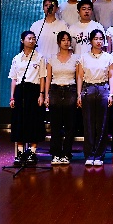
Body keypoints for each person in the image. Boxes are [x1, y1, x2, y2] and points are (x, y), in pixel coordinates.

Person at [77, 29, 113, 166]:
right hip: (88, 89)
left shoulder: (108, 57)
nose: (99, 41)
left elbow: (111, 76)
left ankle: (99, 155)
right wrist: (79, 94)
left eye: (101, 39)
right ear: (91, 41)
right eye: (96, 38)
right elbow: (80, 76)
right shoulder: (83, 57)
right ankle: (89, 155)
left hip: (103, 89)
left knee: (102, 125)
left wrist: (111, 94)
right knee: (88, 124)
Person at [8, 30, 46, 165]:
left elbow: (42, 77)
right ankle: (19, 153)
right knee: (19, 122)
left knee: (34, 121)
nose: (32, 40)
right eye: (29, 38)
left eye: (34, 38)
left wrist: (41, 94)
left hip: (34, 91)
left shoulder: (40, 57)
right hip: (20, 91)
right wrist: (12, 97)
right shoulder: (17, 58)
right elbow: (14, 79)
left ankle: (32, 152)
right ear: (22, 41)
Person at [44, 31, 80, 165]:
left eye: (68, 40)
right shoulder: (51, 58)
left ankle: (66, 154)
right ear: (58, 42)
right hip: (55, 90)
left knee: (70, 125)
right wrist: (46, 95)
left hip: (70, 90)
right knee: (56, 125)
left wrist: (79, 95)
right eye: (63, 40)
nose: (66, 42)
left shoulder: (76, 58)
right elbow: (48, 78)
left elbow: (78, 77)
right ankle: (56, 154)